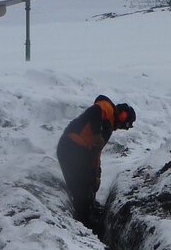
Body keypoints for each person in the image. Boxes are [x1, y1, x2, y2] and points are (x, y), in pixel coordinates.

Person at [56, 95, 136, 230]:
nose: (123, 128)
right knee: (80, 189)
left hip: (80, 151)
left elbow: (96, 152)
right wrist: (97, 133)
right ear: (123, 116)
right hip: (71, 147)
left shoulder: (108, 126)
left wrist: (97, 175)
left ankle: (86, 219)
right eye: (126, 124)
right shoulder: (107, 108)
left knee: (88, 186)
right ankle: (81, 224)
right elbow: (95, 112)